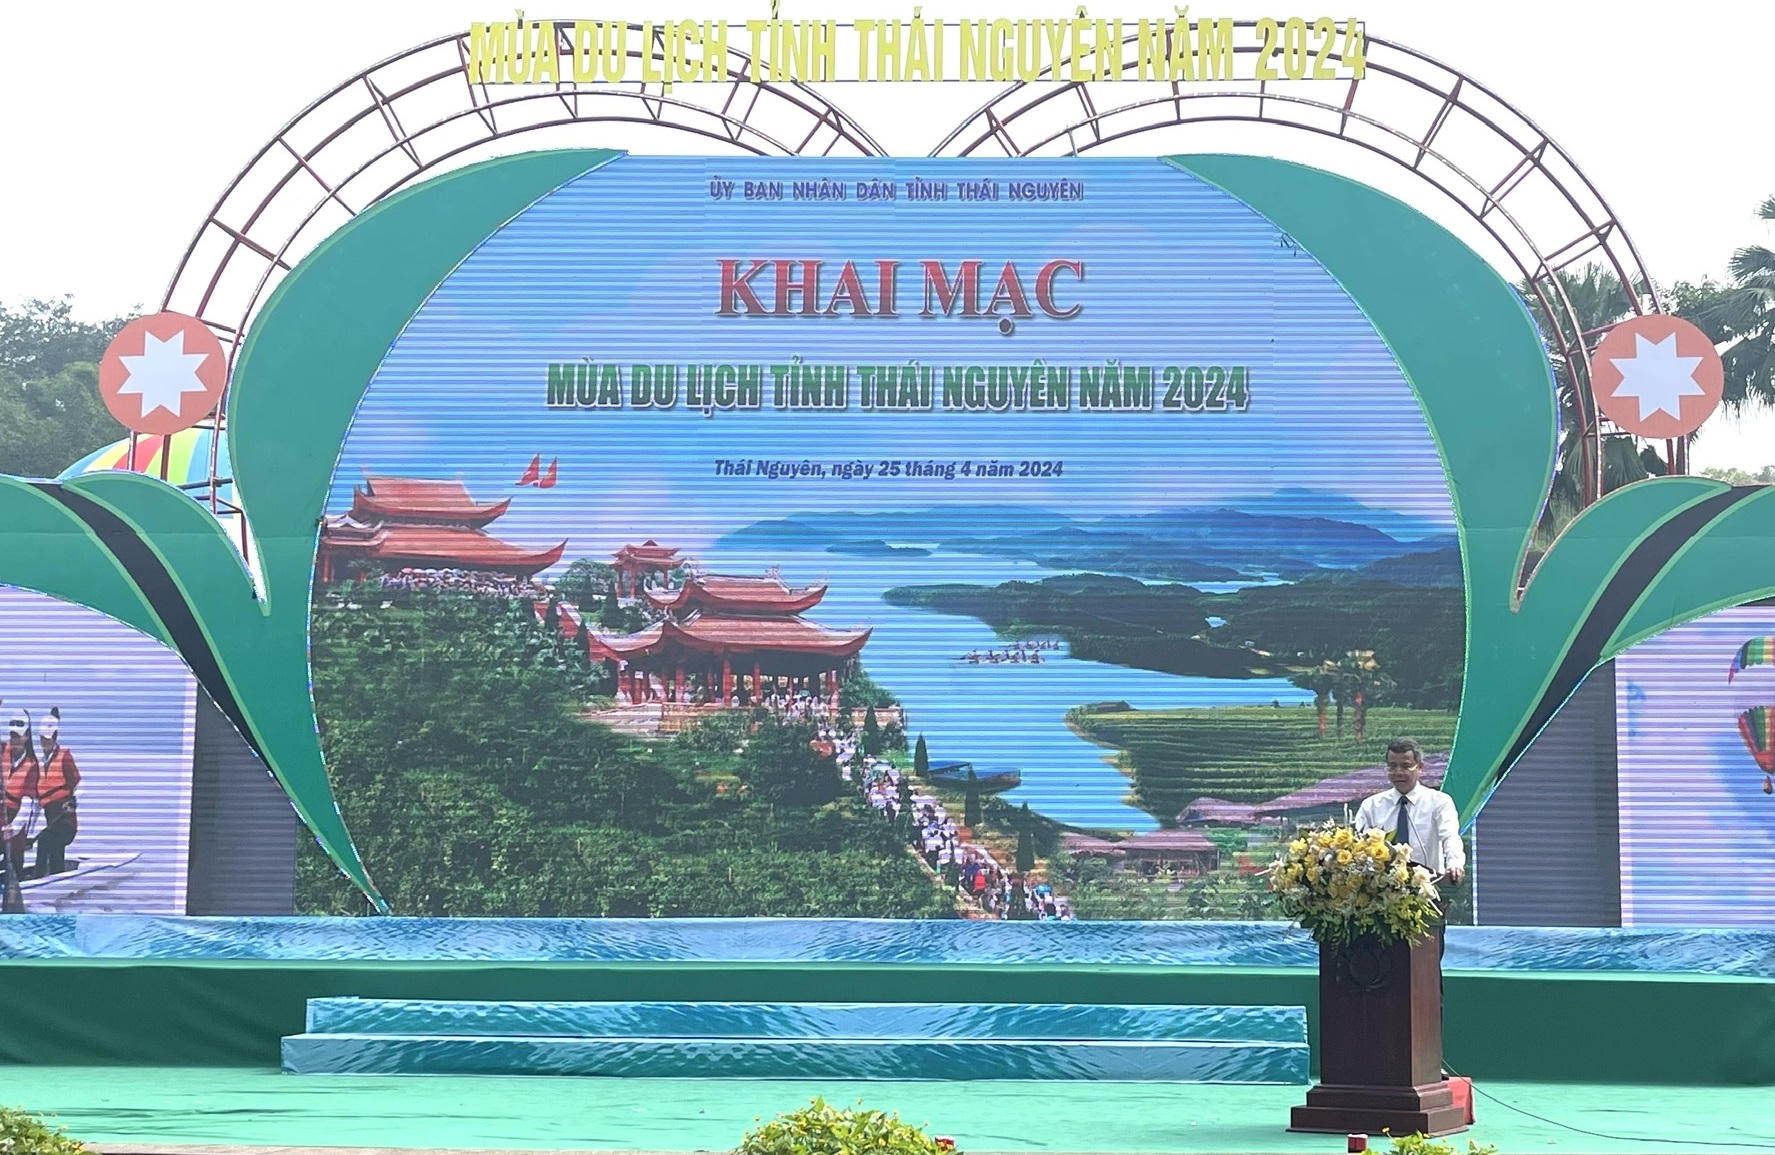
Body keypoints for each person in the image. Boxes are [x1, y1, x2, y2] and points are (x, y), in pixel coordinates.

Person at [32, 707, 79, 878]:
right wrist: (29, 834)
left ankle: (41, 878)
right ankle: (53, 875)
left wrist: (73, 801)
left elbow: (80, 784)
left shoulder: (64, 756)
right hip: (50, 818)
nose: (44, 743)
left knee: (46, 840)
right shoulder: (39, 765)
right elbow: (36, 806)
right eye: (41, 740)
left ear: (54, 738)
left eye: (47, 739)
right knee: (49, 843)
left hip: (66, 820)